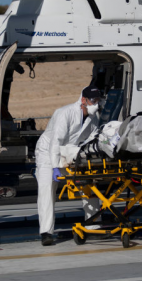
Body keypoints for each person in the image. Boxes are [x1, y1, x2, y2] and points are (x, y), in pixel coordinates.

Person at [35, 85, 102, 246]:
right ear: (83, 100)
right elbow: (55, 142)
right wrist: (55, 167)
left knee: (89, 185)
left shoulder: (94, 118)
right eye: (93, 100)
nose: (96, 104)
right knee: (46, 190)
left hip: (72, 153)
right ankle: (46, 232)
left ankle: (93, 226)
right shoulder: (65, 113)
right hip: (48, 152)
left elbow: (90, 140)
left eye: (98, 100)